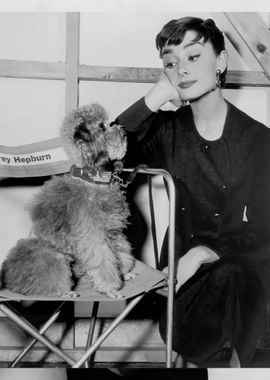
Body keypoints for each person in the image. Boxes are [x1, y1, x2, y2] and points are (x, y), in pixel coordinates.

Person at [115, 17, 270, 367]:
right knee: (229, 285)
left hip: (239, 267)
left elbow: (267, 229)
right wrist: (156, 96)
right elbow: (101, 158)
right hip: (180, 281)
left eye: (194, 56)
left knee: (238, 277)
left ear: (221, 61)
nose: (181, 69)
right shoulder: (166, 131)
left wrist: (204, 252)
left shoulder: (258, 139)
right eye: (171, 62)